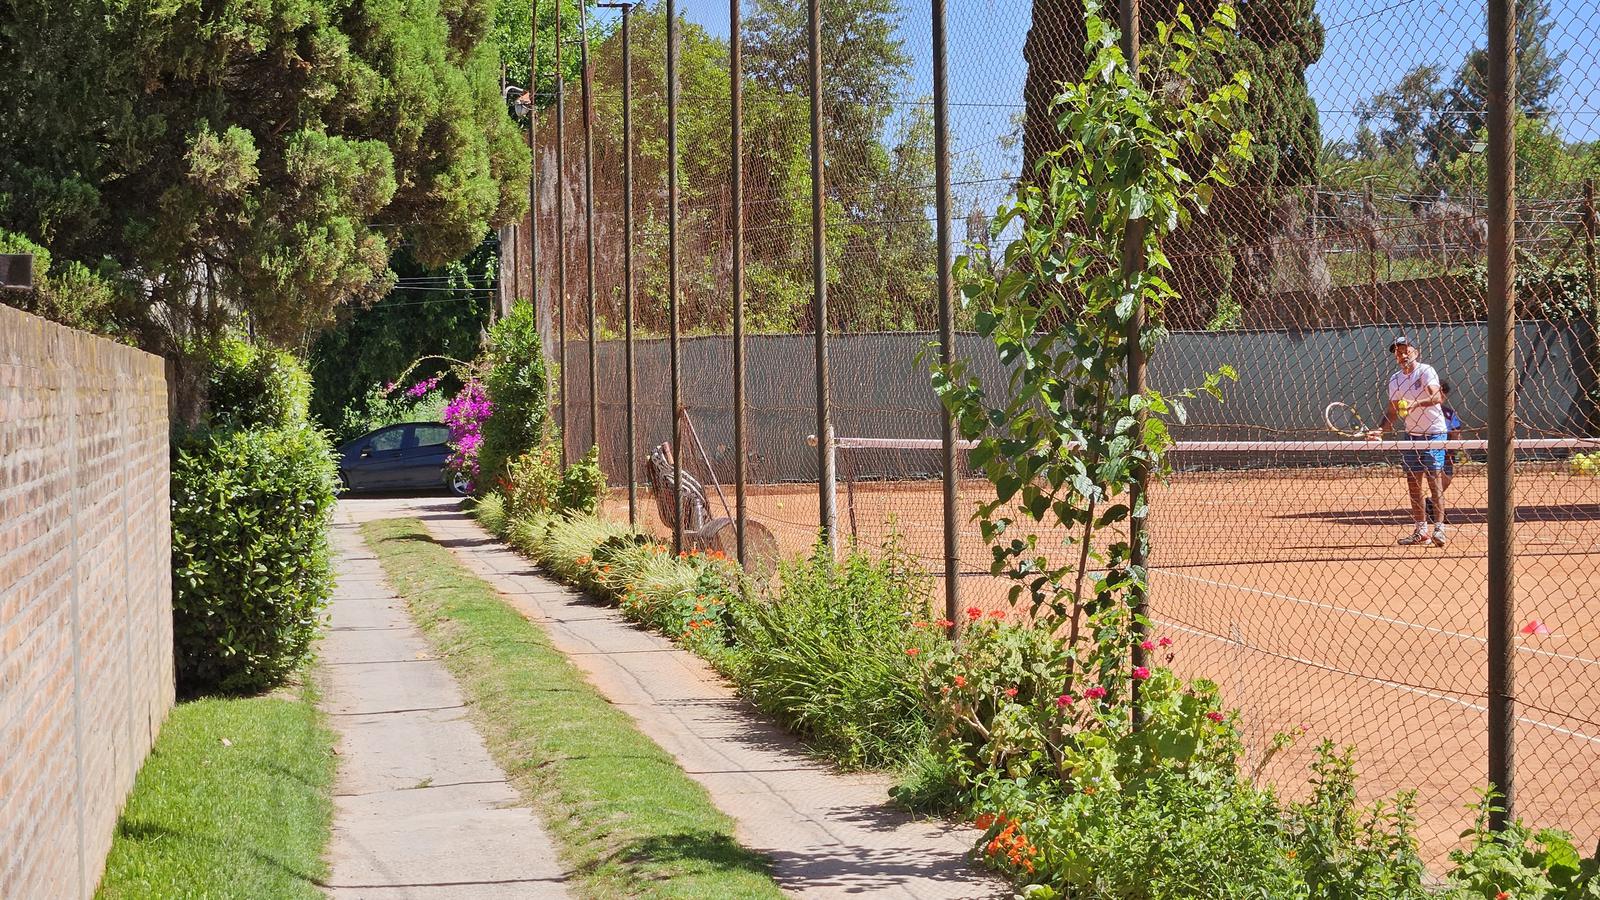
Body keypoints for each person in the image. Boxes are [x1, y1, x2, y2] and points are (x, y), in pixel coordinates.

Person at [1368, 336, 1448, 546]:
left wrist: (1415, 403)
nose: (1403, 355)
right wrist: (1380, 430)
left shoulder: (1425, 371)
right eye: (1398, 352)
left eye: (1406, 350)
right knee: (1413, 483)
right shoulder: (1395, 379)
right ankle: (1421, 531)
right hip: (1411, 435)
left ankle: (1439, 529)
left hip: (1434, 432)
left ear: (1416, 352)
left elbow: (1437, 398)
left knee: (1434, 480)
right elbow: (1392, 411)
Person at [1425, 381, 1464, 522]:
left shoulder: (1448, 413)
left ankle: (1430, 502)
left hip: (1446, 451)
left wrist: (1455, 447)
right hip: (1427, 448)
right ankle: (1438, 514)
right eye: (1437, 392)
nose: (1440, 395)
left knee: (1445, 481)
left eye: (1443, 393)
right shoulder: (1425, 412)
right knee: (1435, 480)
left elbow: (1456, 432)